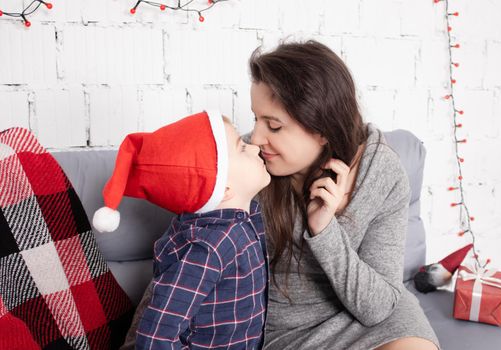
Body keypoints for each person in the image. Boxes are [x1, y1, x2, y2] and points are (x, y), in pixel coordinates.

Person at [248, 41, 440, 350]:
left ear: (322, 128)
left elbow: (378, 306)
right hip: (290, 326)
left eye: (273, 125)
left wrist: (324, 231)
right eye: (256, 118)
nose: (257, 138)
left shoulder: (382, 172)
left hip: (373, 314)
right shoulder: (247, 164)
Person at [92, 111, 271, 349]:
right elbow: (156, 334)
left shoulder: (246, 221)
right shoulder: (210, 245)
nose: (254, 148)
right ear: (223, 188)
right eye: (241, 148)